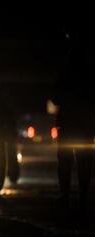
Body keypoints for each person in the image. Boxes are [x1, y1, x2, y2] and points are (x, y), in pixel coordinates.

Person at [52, 34, 94, 212]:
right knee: (84, 164)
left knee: (65, 164)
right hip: (85, 125)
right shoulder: (90, 75)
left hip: (68, 124)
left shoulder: (65, 74)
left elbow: (56, 98)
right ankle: (83, 199)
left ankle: (65, 198)